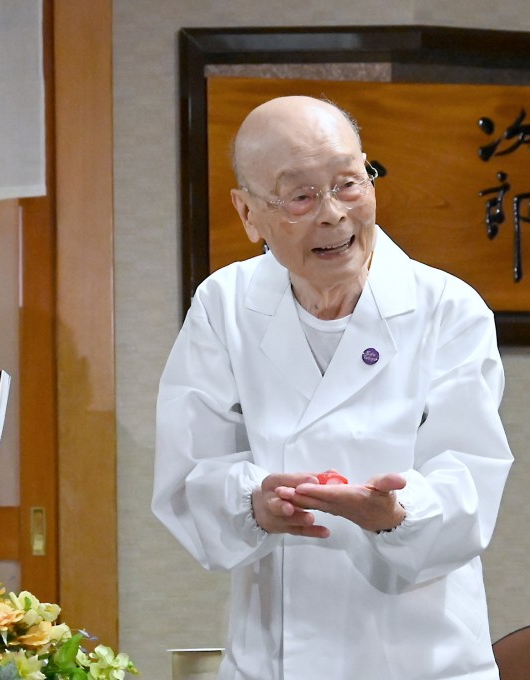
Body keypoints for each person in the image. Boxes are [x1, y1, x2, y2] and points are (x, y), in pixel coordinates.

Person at [152, 95, 513, 679]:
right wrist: (254, 503)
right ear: (247, 214)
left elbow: (469, 481)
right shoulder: (225, 305)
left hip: (426, 656)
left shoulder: (448, 307)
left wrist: (395, 513)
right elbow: (188, 472)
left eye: (348, 182)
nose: (332, 214)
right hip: (274, 655)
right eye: (299, 195)